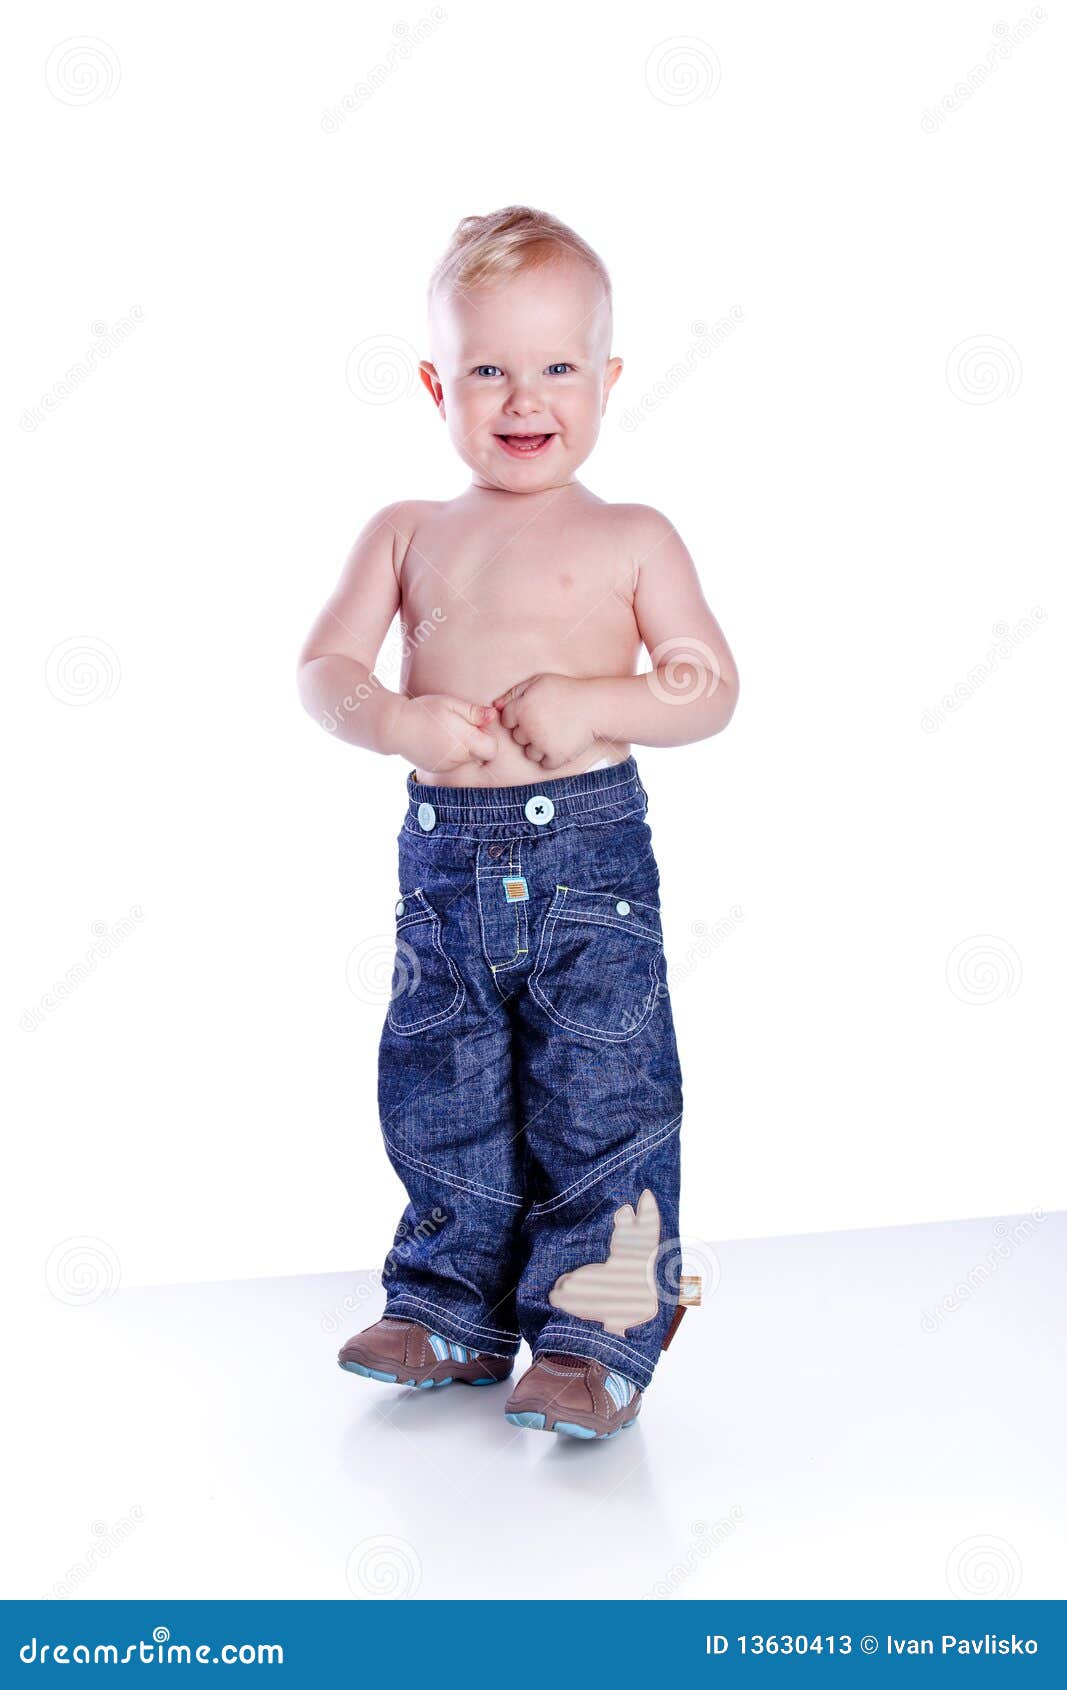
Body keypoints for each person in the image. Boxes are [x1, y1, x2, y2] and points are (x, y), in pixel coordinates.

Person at [297, 206, 738, 1440]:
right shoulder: (408, 532)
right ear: (437, 383)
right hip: (444, 870)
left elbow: (707, 685)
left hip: (585, 860)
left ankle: (599, 1335)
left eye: (555, 367)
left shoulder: (629, 536)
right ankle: (448, 1309)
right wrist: (394, 721)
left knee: (606, 1095)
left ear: (605, 380)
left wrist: (596, 699)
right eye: (486, 367)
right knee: (441, 1090)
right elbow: (323, 670)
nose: (521, 396)